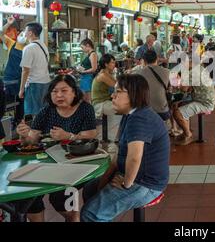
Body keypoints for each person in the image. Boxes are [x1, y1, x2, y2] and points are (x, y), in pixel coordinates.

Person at [81, 74, 169, 222]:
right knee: (91, 189)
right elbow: (118, 156)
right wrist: (104, 179)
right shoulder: (130, 116)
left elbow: (135, 157)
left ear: (134, 94)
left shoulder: (139, 118)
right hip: (132, 176)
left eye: (118, 91)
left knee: (90, 214)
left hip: (145, 184)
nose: (112, 96)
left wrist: (126, 183)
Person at [16, 75, 97, 221]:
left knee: (60, 196)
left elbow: (90, 135)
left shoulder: (85, 109)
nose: (59, 95)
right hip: (48, 163)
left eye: (64, 90)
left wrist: (68, 136)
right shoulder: (47, 111)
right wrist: (24, 135)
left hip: (78, 163)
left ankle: (73, 217)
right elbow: (32, 138)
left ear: (74, 92)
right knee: (30, 195)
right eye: (54, 91)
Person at [172, 66, 215, 145]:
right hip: (207, 99)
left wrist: (178, 81)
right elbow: (191, 88)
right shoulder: (200, 68)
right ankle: (186, 132)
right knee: (180, 105)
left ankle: (188, 135)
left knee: (177, 113)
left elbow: (184, 89)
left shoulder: (192, 73)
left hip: (204, 103)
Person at [19, 22, 51, 116]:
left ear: (30, 33)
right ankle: (45, 130)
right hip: (45, 82)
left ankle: (37, 130)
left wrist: (21, 89)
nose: (24, 33)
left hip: (34, 84)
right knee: (44, 111)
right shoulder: (43, 45)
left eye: (25, 31)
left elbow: (25, 70)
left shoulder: (28, 48)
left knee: (36, 114)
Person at [1, 16, 25, 125]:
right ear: (17, 34)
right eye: (21, 33)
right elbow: (1, 34)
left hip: (21, 80)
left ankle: (18, 122)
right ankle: (7, 122)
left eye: (25, 34)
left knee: (20, 103)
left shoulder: (28, 48)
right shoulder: (11, 43)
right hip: (9, 79)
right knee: (6, 104)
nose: (22, 36)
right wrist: (8, 24)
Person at [134, 50, 171, 121]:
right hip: (163, 112)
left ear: (144, 61)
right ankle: (172, 128)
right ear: (157, 59)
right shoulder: (167, 72)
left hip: (144, 111)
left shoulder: (138, 73)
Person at [91, 54, 117, 118]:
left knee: (127, 106)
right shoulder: (103, 75)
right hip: (100, 104)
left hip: (105, 101)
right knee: (126, 107)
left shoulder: (106, 73)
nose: (114, 64)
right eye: (112, 62)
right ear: (106, 64)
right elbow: (117, 85)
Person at [78, 38, 98, 103]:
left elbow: (94, 68)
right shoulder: (89, 54)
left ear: (87, 45)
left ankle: (89, 112)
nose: (82, 49)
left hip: (88, 78)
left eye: (82, 47)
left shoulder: (93, 54)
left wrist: (83, 71)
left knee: (88, 99)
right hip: (85, 78)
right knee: (84, 99)